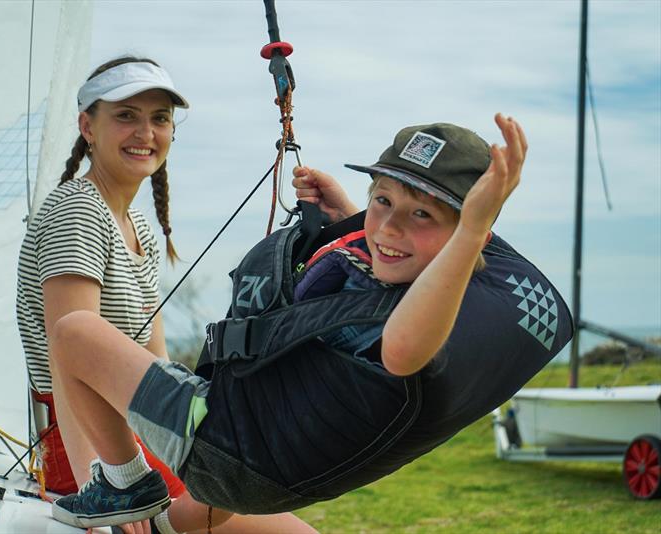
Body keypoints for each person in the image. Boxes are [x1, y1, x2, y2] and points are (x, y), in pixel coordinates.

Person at [46, 113, 574, 528]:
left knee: (75, 333)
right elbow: (372, 266)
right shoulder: (411, 271)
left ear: (469, 236)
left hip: (223, 443)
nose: (387, 228)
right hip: (268, 462)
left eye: (421, 215)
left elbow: (403, 348)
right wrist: (348, 217)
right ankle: (162, 526)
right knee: (191, 513)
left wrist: (473, 227)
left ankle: (123, 484)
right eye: (382, 201)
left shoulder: (425, 319)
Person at [16, 55, 316, 534]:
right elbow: (65, 357)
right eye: (126, 116)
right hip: (100, 457)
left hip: (144, 437)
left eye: (159, 118)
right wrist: (106, 486)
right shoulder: (77, 211)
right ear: (87, 126)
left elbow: (156, 363)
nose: (145, 133)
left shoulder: (139, 228)